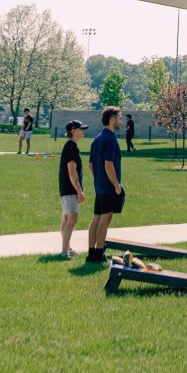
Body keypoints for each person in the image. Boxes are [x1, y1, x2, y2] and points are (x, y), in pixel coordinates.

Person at [85, 108, 125, 264]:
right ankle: (99, 254)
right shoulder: (111, 139)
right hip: (109, 187)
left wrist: (98, 181)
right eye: (120, 118)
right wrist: (116, 185)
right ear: (113, 119)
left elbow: (90, 166)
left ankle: (91, 254)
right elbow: (109, 164)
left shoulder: (97, 139)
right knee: (105, 220)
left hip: (99, 187)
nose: (121, 121)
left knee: (96, 218)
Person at [58, 120, 85, 256]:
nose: (83, 131)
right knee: (72, 218)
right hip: (70, 189)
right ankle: (64, 251)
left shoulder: (69, 146)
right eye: (81, 129)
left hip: (65, 188)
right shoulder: (72, 147)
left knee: (66, 219)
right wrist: (79, 191)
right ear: (73, 131)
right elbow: (72, 172)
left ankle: (67, 249)